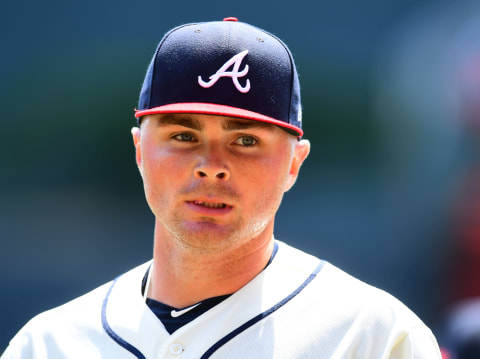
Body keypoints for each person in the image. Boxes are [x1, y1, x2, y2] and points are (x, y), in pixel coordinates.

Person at [2, 18, 442, 358]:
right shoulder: (48, 343)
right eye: (182, 136)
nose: (211, 167)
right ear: (139, 151)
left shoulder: (372, 335)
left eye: (245, 141)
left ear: (294, 163)